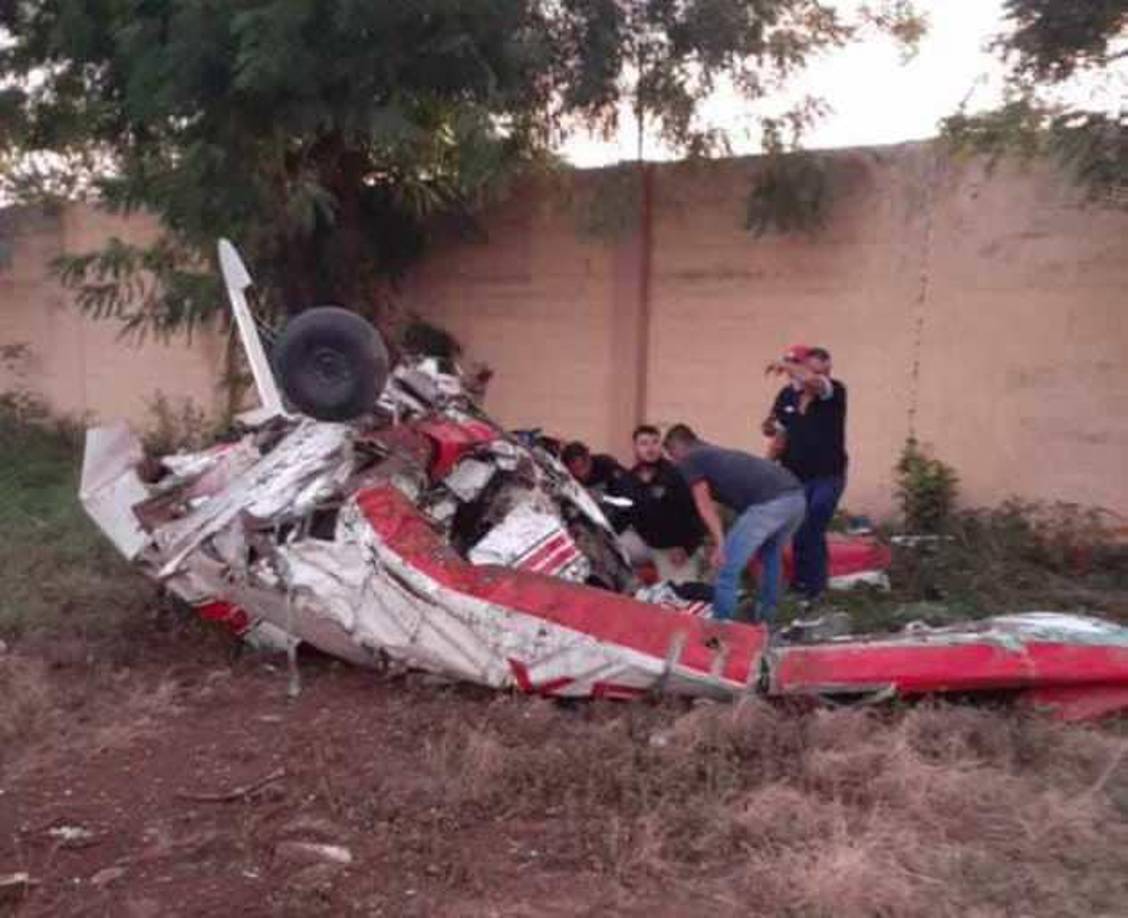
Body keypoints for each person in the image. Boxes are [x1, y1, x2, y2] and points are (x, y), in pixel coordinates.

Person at [663, 424, 805, 623]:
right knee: (770, 556)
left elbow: (705, 505)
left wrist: (721, 544)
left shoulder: (691, 458)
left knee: (726, 567)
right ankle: (767, 620)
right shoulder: (713, 453)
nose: (675, 463)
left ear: (677, 447)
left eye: (672, 456)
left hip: (770, 503)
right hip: (796, 499)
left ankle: (721, 629)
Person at [762, 344, 848, 602]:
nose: (818, 375)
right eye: (812, 369)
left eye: (822, 370)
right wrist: (766, 467)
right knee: (800, 530)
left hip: (827, 476)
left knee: (813, 524)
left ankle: (814, 588)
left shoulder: (834, 391)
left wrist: (784, 365)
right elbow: (779, 436)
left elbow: (814, 383)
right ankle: (804, 586)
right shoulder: (786, 396)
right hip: (794, 476)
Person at [617, 425, 706, 583]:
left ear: (661, 446)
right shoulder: (628, 479)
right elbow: (624, 514)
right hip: (646, 543)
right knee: (616, 545)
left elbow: (694, 512)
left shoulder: (676, 473)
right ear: (635, 447)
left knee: (681, 591)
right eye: (644, 443)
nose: (650, 448)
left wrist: (686, 547)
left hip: (675, 547)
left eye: (655, 442)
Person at [561, 440, 632, 530]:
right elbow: (567, 508)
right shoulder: (569, 479)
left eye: (584, 465)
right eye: (576, 469)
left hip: (622, 524)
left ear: (588, 456)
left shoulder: (606, 465)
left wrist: (603, 498)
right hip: (595, 528)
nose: (583, 474)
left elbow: (629, 499)